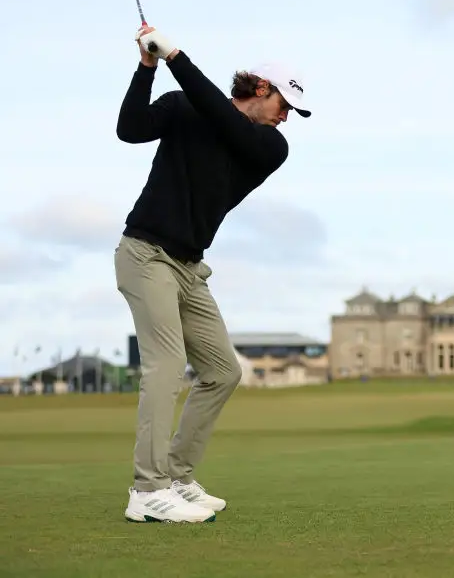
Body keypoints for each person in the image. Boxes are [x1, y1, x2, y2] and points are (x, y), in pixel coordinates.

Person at [115, 25, 310, 523]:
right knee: (166, 364)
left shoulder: (269, 147)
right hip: (145, 254)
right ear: (261, 88)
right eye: (285, 105)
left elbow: (226, 122)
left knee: (223, 371)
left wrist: (178, 56)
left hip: (189, 268)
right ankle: (147, 490)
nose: (287, 117)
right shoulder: (184, 106)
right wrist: (148, 67)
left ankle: (177, 476)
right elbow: (131, 127)